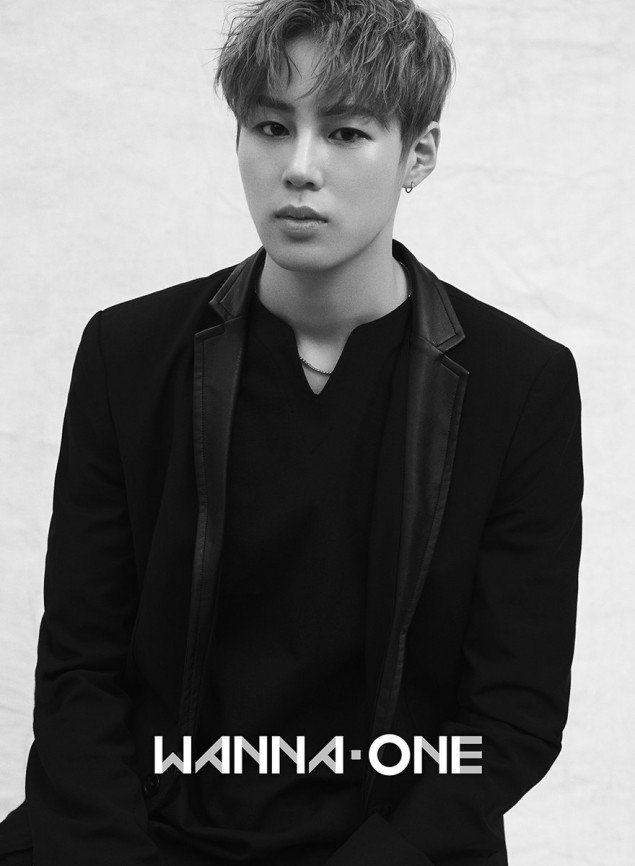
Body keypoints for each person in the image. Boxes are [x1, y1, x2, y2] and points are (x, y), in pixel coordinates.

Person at [0, 0, 583, 864]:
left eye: (345, 133)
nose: (299, 168)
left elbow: (512, 713)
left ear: (418, 153)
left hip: (387, 846)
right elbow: (79, 667)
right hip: (143, 830)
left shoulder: (518, 383)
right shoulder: (129, 353)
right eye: (271, 127)